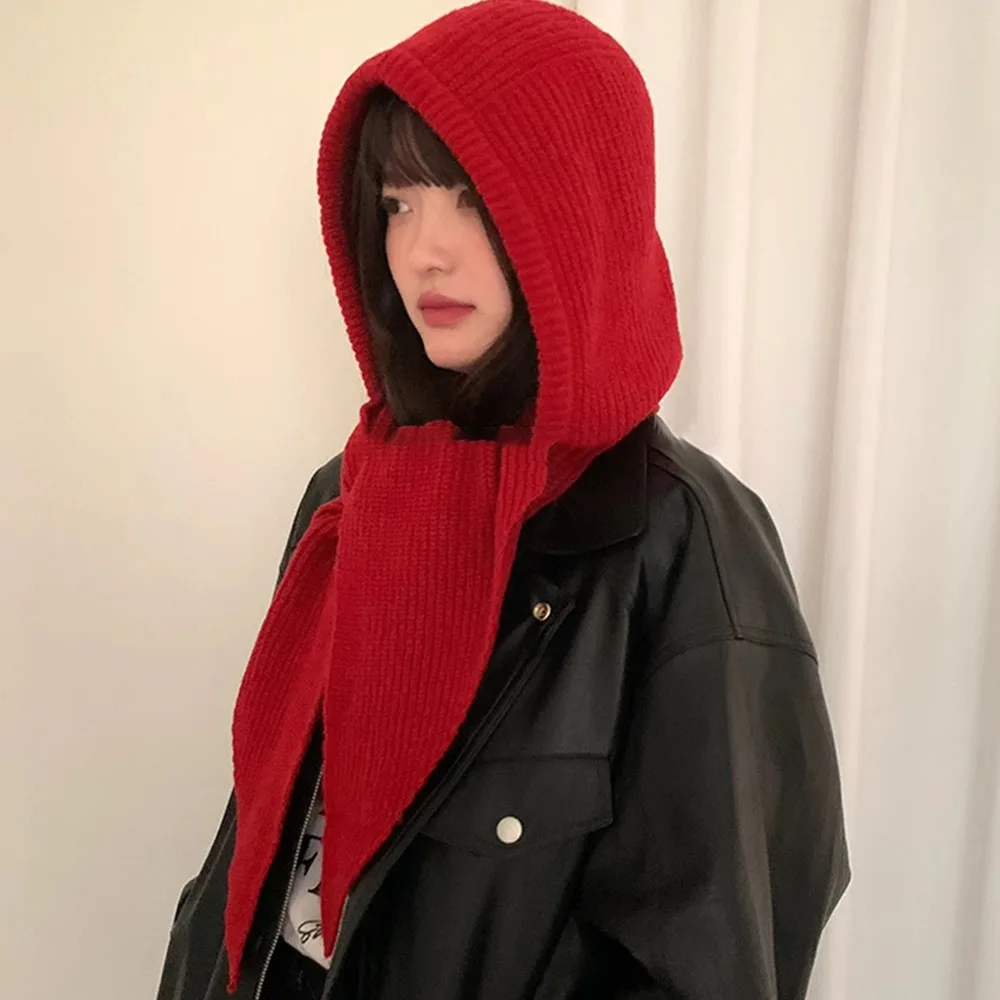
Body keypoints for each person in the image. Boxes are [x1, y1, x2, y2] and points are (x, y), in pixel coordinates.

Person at [155, 2, 849, 998]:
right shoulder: (346, 495)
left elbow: (712, 959)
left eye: (471, 198)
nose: (422, 252)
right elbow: (259, 846)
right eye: (397, 203)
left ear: (581, 213)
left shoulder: (678, 540)